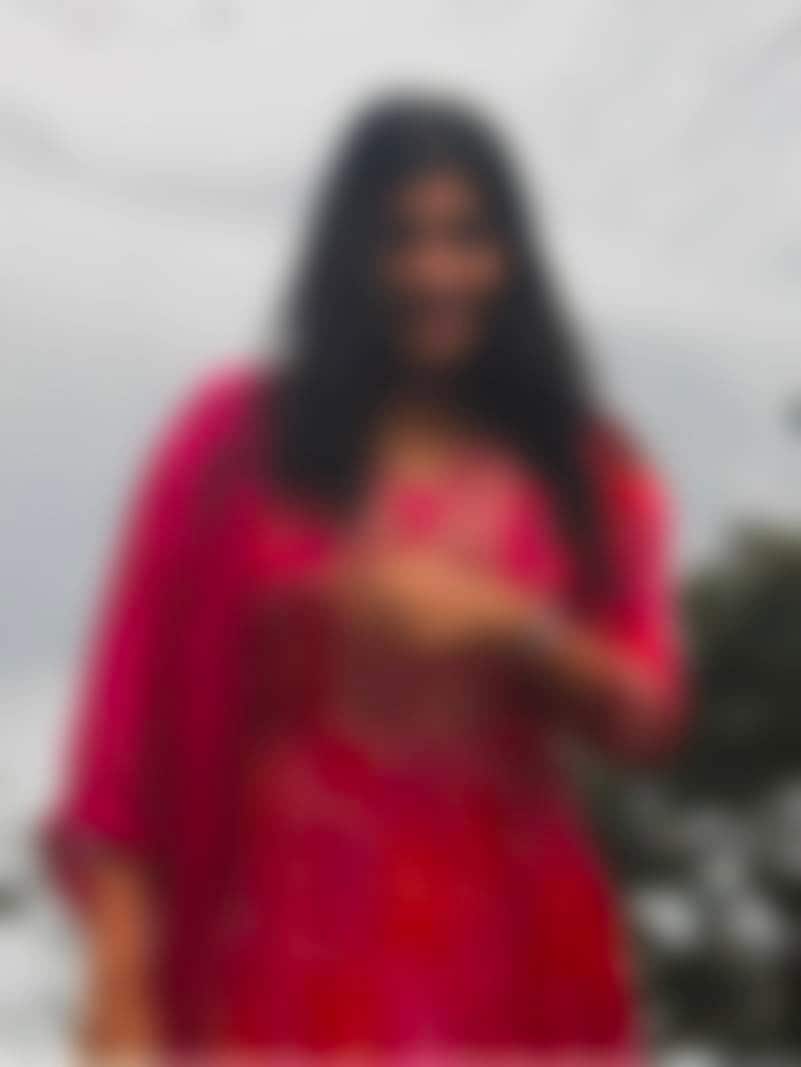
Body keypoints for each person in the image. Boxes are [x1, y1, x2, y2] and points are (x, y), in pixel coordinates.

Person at [48, 94, 686, 1063]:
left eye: (466, 236)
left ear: (509, 255)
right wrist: (118, 976)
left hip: (517, 951)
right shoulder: (235, 443)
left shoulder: (584, 467)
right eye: (401, 239)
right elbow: (130, 719)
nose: (435, 271)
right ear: (350, 257)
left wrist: (513, 622)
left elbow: (646, 718)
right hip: (288, 939)